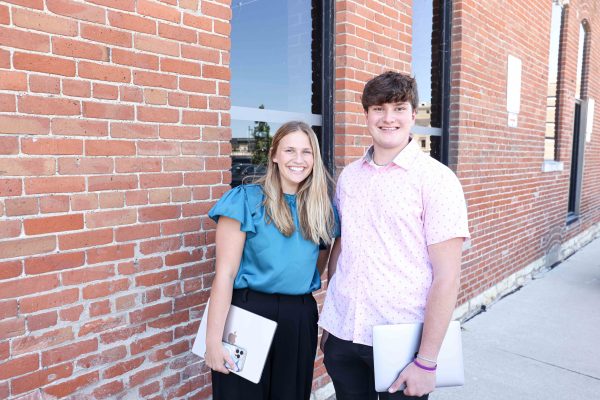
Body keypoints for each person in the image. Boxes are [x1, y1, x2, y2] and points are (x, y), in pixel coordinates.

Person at [319, 71, 470, 400]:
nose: (388, 118)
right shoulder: (349, 177)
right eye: (378, 109)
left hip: (403, 343)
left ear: (414, 115)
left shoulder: (436, 180)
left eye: (399, 108)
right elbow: (342, 246)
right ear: (367, 115)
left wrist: (427, 362)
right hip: (344, 336)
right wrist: (331, 321)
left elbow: (448, 276)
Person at [204, 120, 339, 400]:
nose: (298, 160)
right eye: (290, 150)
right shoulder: (244, 200)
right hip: (248, 310)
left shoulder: (321, 209)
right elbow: (225, 275)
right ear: (274, 155)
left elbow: (318, 264)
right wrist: (213, 341)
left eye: (307, 152)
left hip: (299, 316)